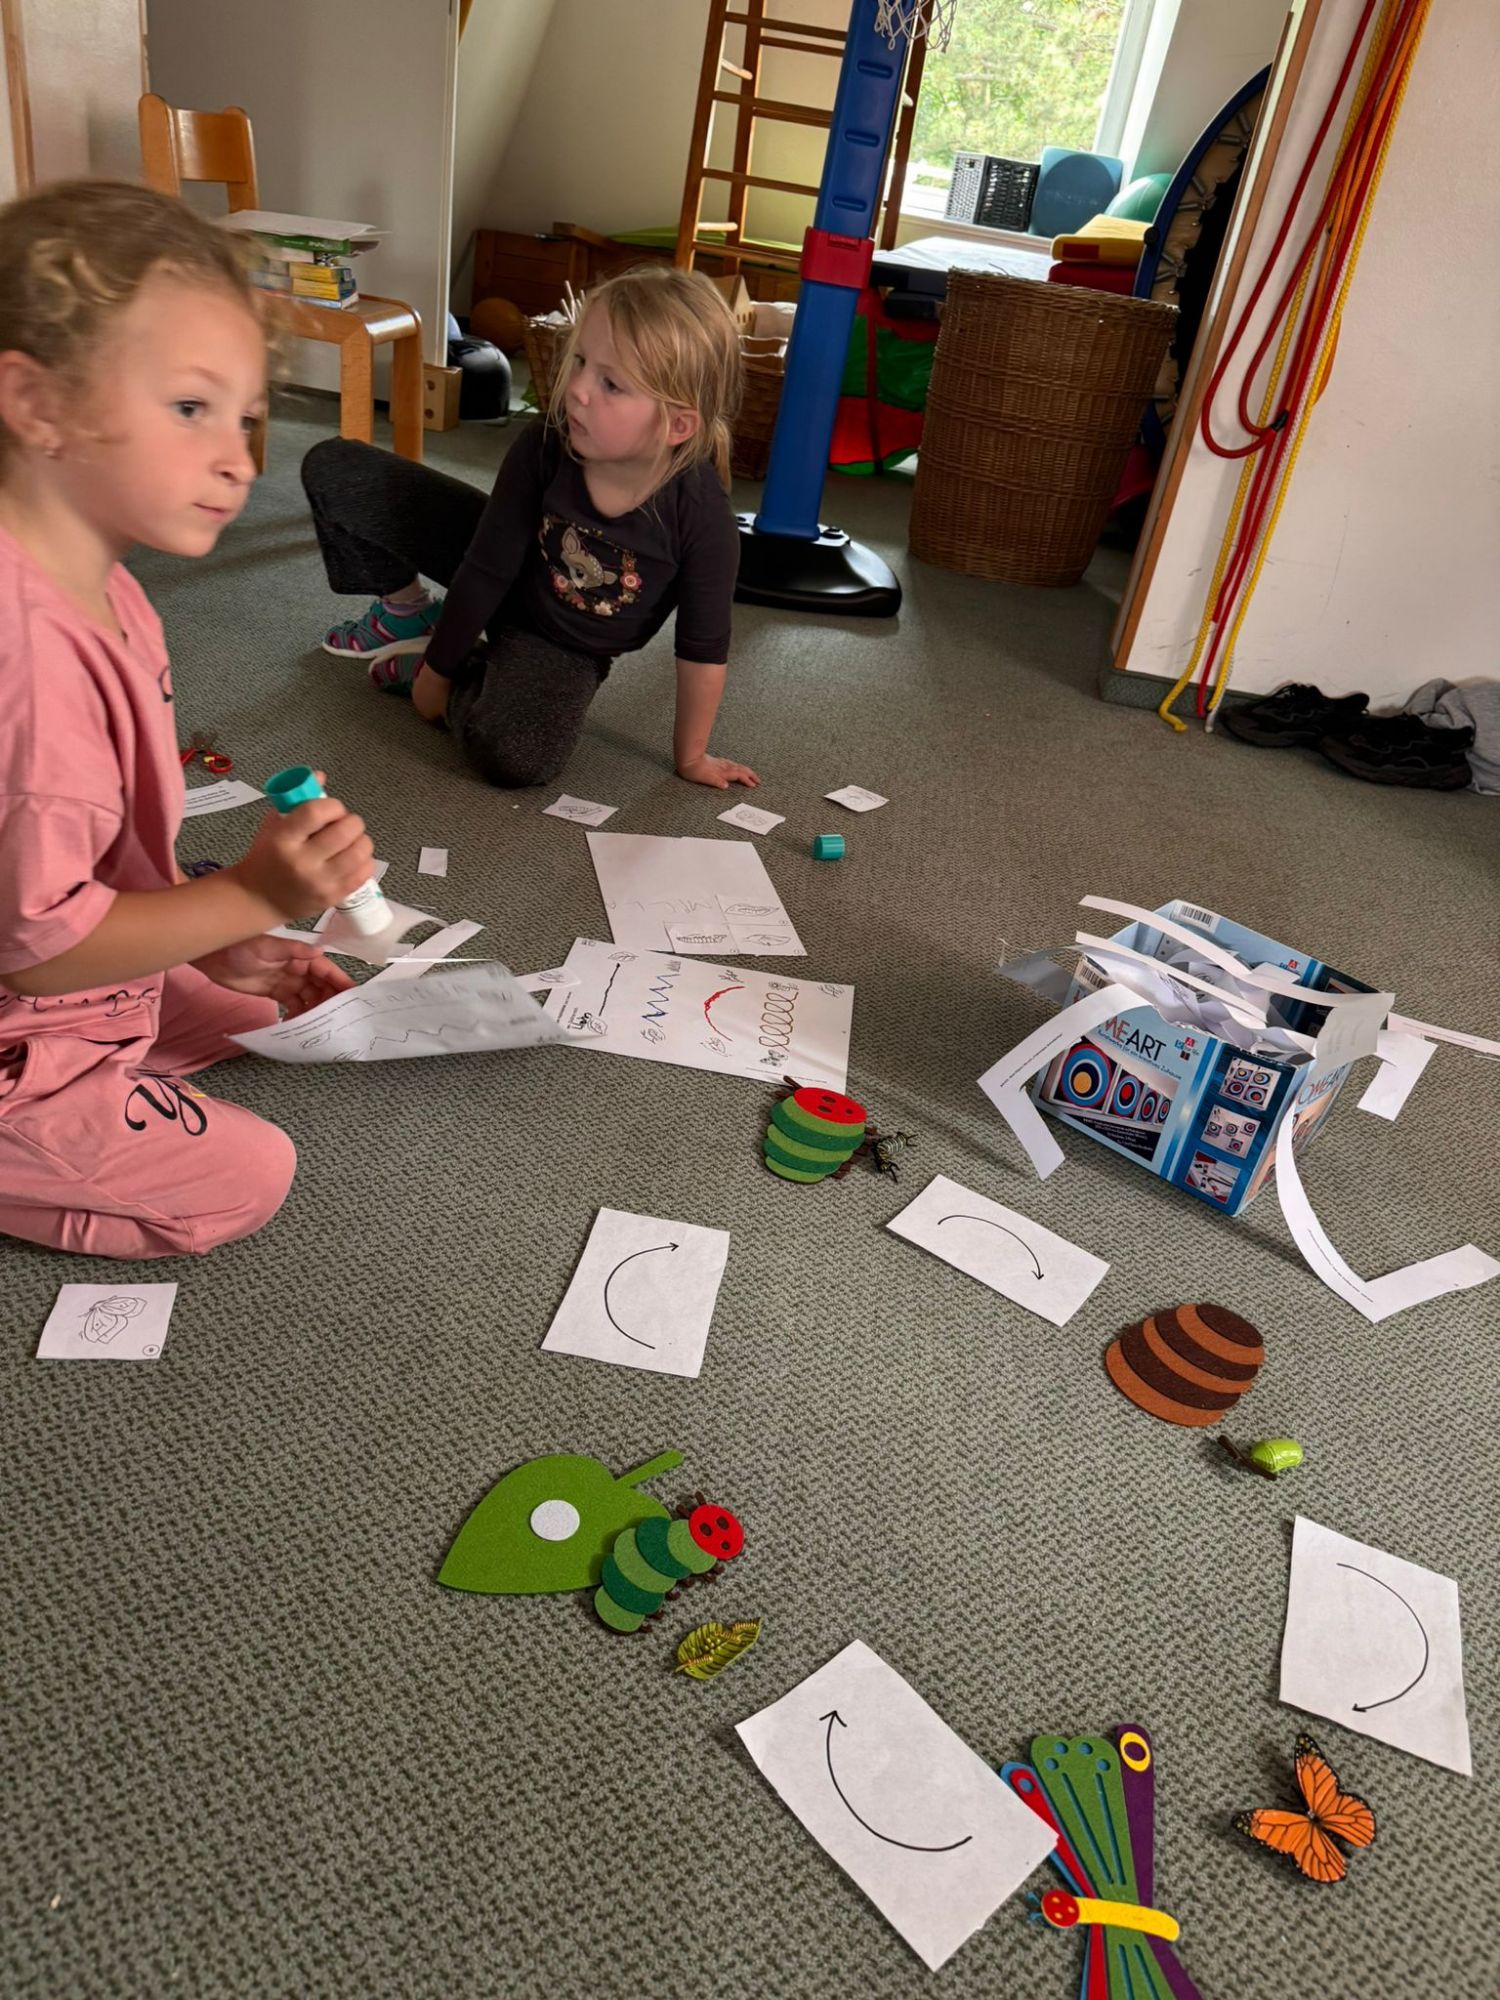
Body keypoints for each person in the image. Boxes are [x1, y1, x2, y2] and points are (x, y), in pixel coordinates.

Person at [0, 181, 375, 1259]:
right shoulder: (28, 669)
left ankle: (115, 1034)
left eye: (246, 418)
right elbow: (38, 950)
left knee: (257, 1009)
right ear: (37, 404)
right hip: (24, 991)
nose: (241, 461)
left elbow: (110, 850)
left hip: (46, 947)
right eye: (189, 408)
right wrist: (247, 892)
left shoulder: (106, 583)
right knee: (249, 1174)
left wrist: (213, 930)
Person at [302, 264, 760, 793]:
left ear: (678, 424)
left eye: (611, 384)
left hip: (559, 644)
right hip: (497, 558)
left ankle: (464, 669)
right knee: (335, 468)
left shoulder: (704, 521)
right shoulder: (547, 443)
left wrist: (692, 756)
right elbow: (487, 566)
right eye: (581, 361)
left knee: (515, 755)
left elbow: (702, 650)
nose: (578, 389)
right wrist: (438, 669)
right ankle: (407, 614)